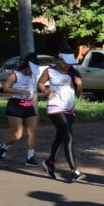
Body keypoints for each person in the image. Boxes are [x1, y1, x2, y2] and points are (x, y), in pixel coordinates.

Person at [37, 53, 85, 182]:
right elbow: (40, 83)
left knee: (61, 137)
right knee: (68, 136)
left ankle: (50, 162)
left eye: (70, 63)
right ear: (59, 60)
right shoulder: (49, 70)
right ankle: (74, 170)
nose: (68, 65)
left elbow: (79, 93)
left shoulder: (73, 72)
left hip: (69, 109)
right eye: (66, 62)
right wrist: (47, 92)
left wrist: (79, 84)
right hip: (55, 107)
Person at [0, 52, 41, 167]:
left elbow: (33, 92)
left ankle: (30, 158)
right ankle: (4, 146)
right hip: (15, 105)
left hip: (29, 105)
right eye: (31, 70)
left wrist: (35, 106)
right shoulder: (15, 75)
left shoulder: (33, 76)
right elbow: (5, 88)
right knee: (17, 135)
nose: (32, 72)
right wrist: (19, 91)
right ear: (27, 68)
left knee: (33, 132)